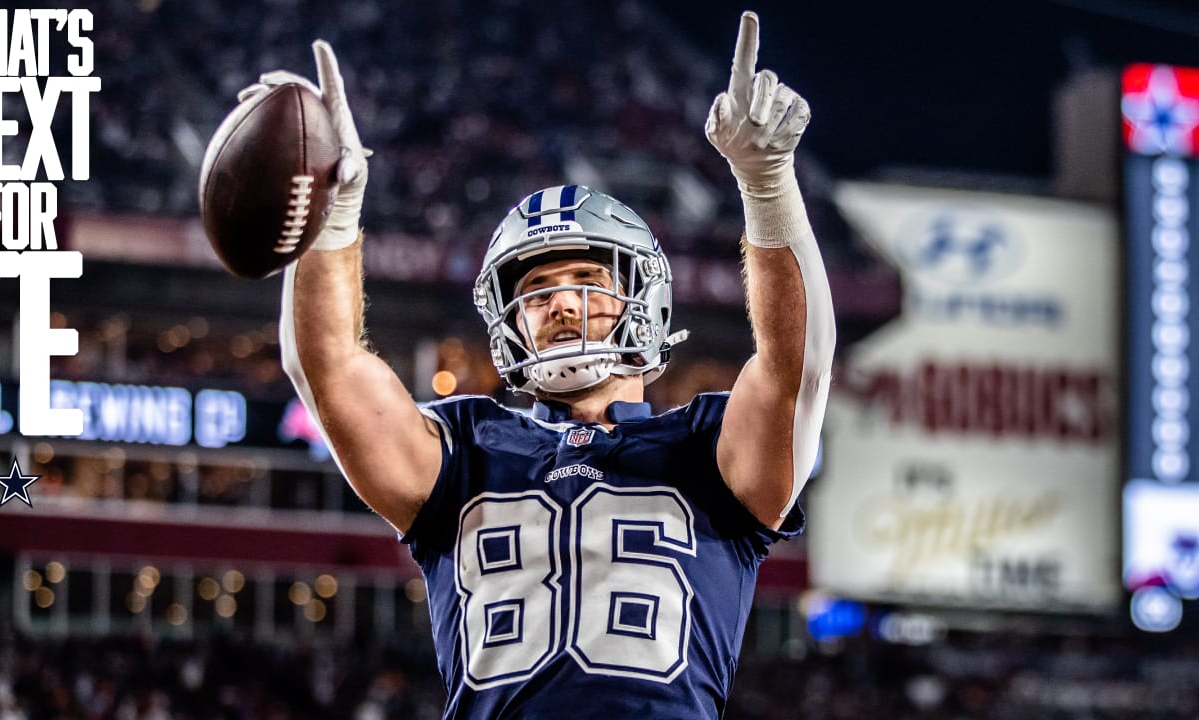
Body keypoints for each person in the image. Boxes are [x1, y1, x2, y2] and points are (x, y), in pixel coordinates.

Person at [250, 10, 835, 719]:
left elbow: (796, 366)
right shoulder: (466, 450)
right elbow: (326, 367)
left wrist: (767, 185)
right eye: (533, 291)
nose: (559, 304)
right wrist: (333, 217)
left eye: (586, 278)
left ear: (641, 299)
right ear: (507, 317)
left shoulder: (706, 449)